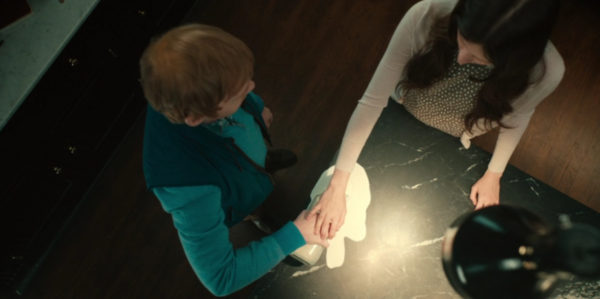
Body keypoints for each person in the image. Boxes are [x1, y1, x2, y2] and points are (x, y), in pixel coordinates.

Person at [309, 0, 565, 240]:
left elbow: (517, 116)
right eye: (461, 40)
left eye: (478, 59)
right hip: (405, 102)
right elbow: (372, 101)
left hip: (458, 128)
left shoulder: (546, 71)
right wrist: (337, 185)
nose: (462, 58)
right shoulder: (427, 13)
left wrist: (493, 174)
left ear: (511, 62)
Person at [139, 24, 328, 297]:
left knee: (253, 168)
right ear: (195, 117)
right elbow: (221, 278)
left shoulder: (181, 85)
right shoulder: (189, 189)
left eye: (247, 80)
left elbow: (232, 85)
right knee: (250, 198)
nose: (251, 87)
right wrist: (295, 234)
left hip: (234, 162)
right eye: (239, 93)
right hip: (229, 192)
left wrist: (255, 106)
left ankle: (260, 167)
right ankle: (256, 212)